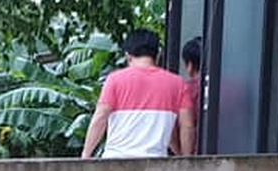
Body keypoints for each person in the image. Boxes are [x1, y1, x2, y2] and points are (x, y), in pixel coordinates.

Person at [81, 29, 189, 160]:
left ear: (128, 56)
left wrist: (85, 155)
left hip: (115, 163)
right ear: (158, 55)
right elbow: (187, 126)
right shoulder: (178, 84)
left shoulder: (115, 80)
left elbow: (100, 118)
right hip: (156, 166)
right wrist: (185, 159)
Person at [171, 37, 203, 156]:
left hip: (196, 158)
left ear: (189, 65)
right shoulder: (234, 89)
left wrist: (182, 156)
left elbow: (179, 128)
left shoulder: (185, 90)